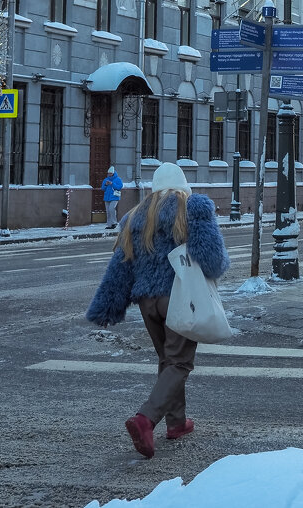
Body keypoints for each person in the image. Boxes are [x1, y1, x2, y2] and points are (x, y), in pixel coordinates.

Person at [86, 162, 227, 459]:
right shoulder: (192, 208)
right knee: (180, 362)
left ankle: (176, 423)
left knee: (168, 359)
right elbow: (212, 260)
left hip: (147, 302)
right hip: (178, 297)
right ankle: (145, 419)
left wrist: (106, 307)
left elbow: (120, 266)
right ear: (183, 186)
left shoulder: (135, 216)